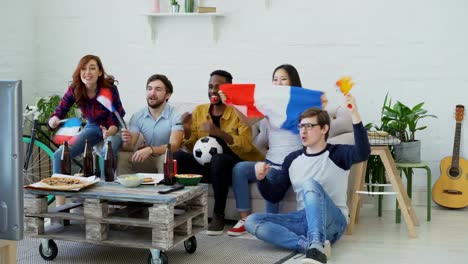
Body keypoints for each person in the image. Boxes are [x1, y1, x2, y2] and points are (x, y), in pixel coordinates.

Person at [245, 94, 371, 264]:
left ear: (324, 129)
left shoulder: (337, 153)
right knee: (252, 221)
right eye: (301, 126)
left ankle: (316, 244)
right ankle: (309, 247)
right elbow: (275, 195)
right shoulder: (292, 159)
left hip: (334, 221)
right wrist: (262, 179)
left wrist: (355, 115)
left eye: (309, 126)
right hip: (303, 220)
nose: (303, 131)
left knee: (310, 184)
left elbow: (363, 153)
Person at [173, 70, 264, 236]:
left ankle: (218, 214)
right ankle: (180, 210)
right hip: (207, 169)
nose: (213, 91)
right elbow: (195, 147)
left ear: (227, 90)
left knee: (219, 160)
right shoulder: (200, 111)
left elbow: (246, 145)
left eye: (218, 87)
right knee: (177, 157)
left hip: (229, 167)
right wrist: (186, 130)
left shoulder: (238, 112)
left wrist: (218, 132)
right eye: (210, 86)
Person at [228, 64, 311, 236]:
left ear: (292, 82)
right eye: (275, 80)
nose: (278, 83)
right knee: (240, 169)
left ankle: (270, 223)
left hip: (290, 164)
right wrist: (232, 102)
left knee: (270, 175)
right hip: (270, 161)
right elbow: (248, 122)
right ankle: (245, 218)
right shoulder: (269, 106)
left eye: (283, 79)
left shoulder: (301, 105)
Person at [49, 54, 125, 205]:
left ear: (100, 72)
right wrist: (54, 119)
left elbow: (116, 117)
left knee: (106, 152)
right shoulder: (75, 89)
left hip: (114, 127)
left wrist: (109, 132)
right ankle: (60, 205)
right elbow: (61, 108)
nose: (87, 72)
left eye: (92, 68)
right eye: (83, 69)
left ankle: (104, 201)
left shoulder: (109, 89)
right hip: (92, 126)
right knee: (59, 155)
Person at [118, 74, 183, 175]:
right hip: (147, 159)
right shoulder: (137, 116)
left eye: (158, 89)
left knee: (165, 160)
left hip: (167, 157)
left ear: (168, 95)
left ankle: (164, 190)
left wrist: (151, 149)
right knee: (123, 157)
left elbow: (174, 145)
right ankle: (124, 190)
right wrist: (127, 141)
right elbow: (129, 148)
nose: (152, 93)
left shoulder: (176, 116)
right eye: (149, 89)